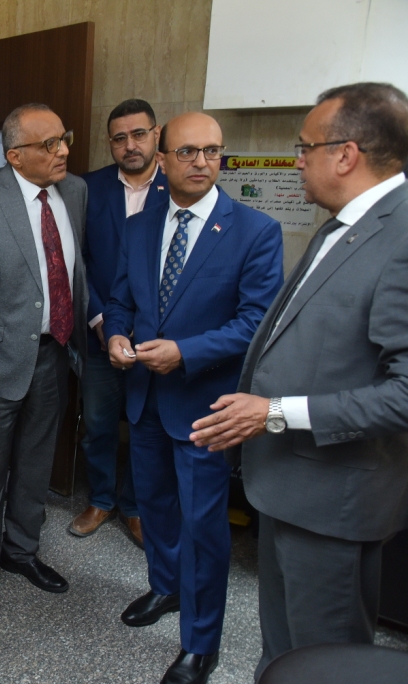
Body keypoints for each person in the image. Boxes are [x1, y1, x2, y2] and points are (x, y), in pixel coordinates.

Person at [189, 82, 408, 680]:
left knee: (324, 663)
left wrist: (275, 412)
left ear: (346, 154)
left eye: (305, 148)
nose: (297, 161)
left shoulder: (400, 236)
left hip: (334, 500)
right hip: (289, 483)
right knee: (285, 653)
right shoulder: (345, 224)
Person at [104, 112, 283, 684]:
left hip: (206, 405)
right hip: (145, 397)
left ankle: (200, 643)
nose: (202, 162)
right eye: (188, 152)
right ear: (162, 159)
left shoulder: (255, 230)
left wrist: (185, 352)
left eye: (212, 151)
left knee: (203, 525)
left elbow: (256, 323)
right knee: (154, 505)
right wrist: (114, 334)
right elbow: (121, 300)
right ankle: (167, 587)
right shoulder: (140, 225)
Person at [0, 103, 88, 625]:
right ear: (14, 155)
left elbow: (74, 270)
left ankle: (21, 551)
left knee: (35, 465)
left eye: (63, 138)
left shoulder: (75, 192)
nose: (63, 150)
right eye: (50, 144)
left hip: (54, 355)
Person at [74, 98, 169, 545]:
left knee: (146, 427)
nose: (130, 145)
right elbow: (77, 260)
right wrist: (99, 318)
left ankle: (134, 506)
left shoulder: (178, 186)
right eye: (119, 138)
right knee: (98, 423)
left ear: (156, 134)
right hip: (99, 334)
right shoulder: (87, 188)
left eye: (139, 134)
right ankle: (101, 498)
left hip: (156, 338)